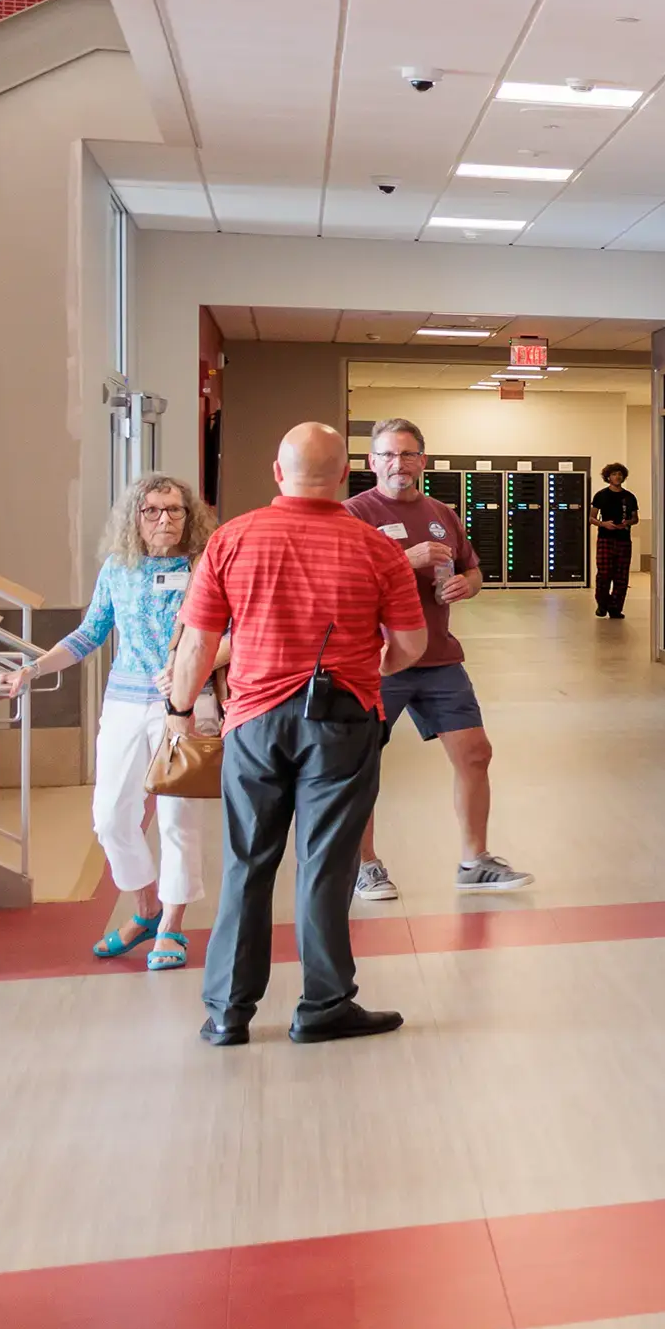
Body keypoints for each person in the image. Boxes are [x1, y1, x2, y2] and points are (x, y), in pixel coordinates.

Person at [170, 424, 428, 1046]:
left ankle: (229, 1014)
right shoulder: (376, 549)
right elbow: (411, 645)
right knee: (325, 866)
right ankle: (323, 1005)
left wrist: (179, 711)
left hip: (254, 723)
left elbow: (199, 644)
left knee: (247, 864)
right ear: (345, 476)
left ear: (277, 473)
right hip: (342, 721)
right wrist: (370, 669)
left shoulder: (230, 540)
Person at [23, 475, 223, 973]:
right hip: (125, 703)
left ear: (189, 515)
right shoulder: (119, 568)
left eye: (174, 510)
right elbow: (90, 633)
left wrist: (192, 667)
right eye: (152, 511)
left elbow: (236, 635)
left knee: (179, 821)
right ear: (134, 518)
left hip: (187, 705)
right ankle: (147, 909)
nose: (164, 520)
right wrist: (33, 669)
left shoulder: (207, 567)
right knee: (111, 815)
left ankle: (173, 927)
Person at [341, 419, 532, 898]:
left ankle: (475, 861)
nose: (397, 464)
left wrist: (469, 584)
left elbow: (474, 569)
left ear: (422, 461)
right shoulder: (353, 515)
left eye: (407, 455)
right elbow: (344, 586)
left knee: (475, 753)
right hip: (377, 660)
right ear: (371, 462)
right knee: (359, 765)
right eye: (386, 455)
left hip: (439, 656)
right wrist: (408, 559)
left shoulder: (441, 512)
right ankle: (364, 864)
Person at [590, 462, 641, 619]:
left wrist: (627, 523)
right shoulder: (601, 495)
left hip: (623, 540)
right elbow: (591, 518)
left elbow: (635, 518)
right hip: (605, 538)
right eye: (614, 474)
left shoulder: (629, 497)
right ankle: (602, 604)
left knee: (622, 576)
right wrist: (603, 524)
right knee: (604, 574)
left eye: (620, 474)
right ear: (608, 477)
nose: (617, 477)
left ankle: (616, 608)